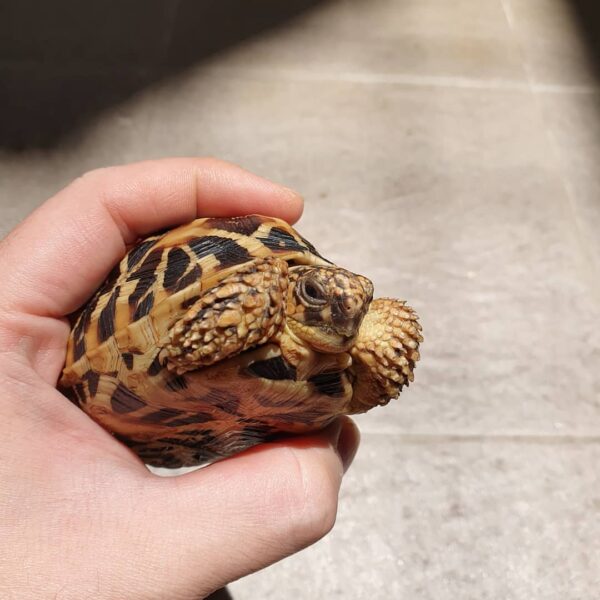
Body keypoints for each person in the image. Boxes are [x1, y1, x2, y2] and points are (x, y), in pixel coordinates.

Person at [0, 158, 360, 599]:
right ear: (292, 287)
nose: (338, 317)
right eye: (313, 295)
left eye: (354, 309)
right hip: (121, 376)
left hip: (198, 430)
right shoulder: (261, 286)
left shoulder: (342, 334)